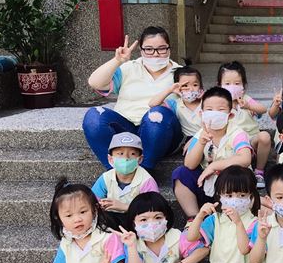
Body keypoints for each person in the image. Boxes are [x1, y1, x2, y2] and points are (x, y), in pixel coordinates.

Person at [83, 27, 182, 170]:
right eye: (149, 49)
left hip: (161, 133)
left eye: (161, 49)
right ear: (141, 50)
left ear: (169, 49)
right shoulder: (128, 68)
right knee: (93, 116)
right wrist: (117, 61)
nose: (155, 54)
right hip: (126, 131)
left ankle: (143, 172)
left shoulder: (181, 73)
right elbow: (95, 83)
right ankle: (116, 171)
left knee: (157, 114)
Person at [172, 87, 253, 220]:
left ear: (230, 115)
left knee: (234, 179)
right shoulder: (201, 133)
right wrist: (201, 143)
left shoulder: (237, 133)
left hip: (233, 185)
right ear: (201, 114)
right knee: (181, 173)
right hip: (207, 183)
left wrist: (214, 166)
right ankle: (194, 218)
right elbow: (189, 164)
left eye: (220, 110)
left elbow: (245, 158)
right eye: (209, 110)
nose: (214, 114)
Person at [218, 61, 271, 189]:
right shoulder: (219, 102)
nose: (232, 87)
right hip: (231, 144)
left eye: (237, 83)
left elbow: (263, 109)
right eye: (227, 84)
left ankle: (259, 172)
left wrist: (249, 106)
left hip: (251, 141)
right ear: (219, 85)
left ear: (243, 85)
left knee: (265, 136)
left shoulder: (246, 99)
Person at [91, 132, 158, 226]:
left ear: (139, 159)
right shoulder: (106, 178)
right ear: (110, 159)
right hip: (111, 218)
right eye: (120, 153)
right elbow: (91, 200)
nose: (126, 158)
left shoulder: (146, 180)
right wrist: (101, 204)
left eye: (132, 154)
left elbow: (154, 208)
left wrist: (126, 207)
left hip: (137, 220)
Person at [148, 66, 204, 141]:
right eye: (185, 85)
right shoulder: (175, 104)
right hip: (190, 141)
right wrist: (170, 90)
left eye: (195, 85)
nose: (191, 89)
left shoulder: (207, 102)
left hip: (209, 138)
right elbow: (152, 104)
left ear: (201, 87)